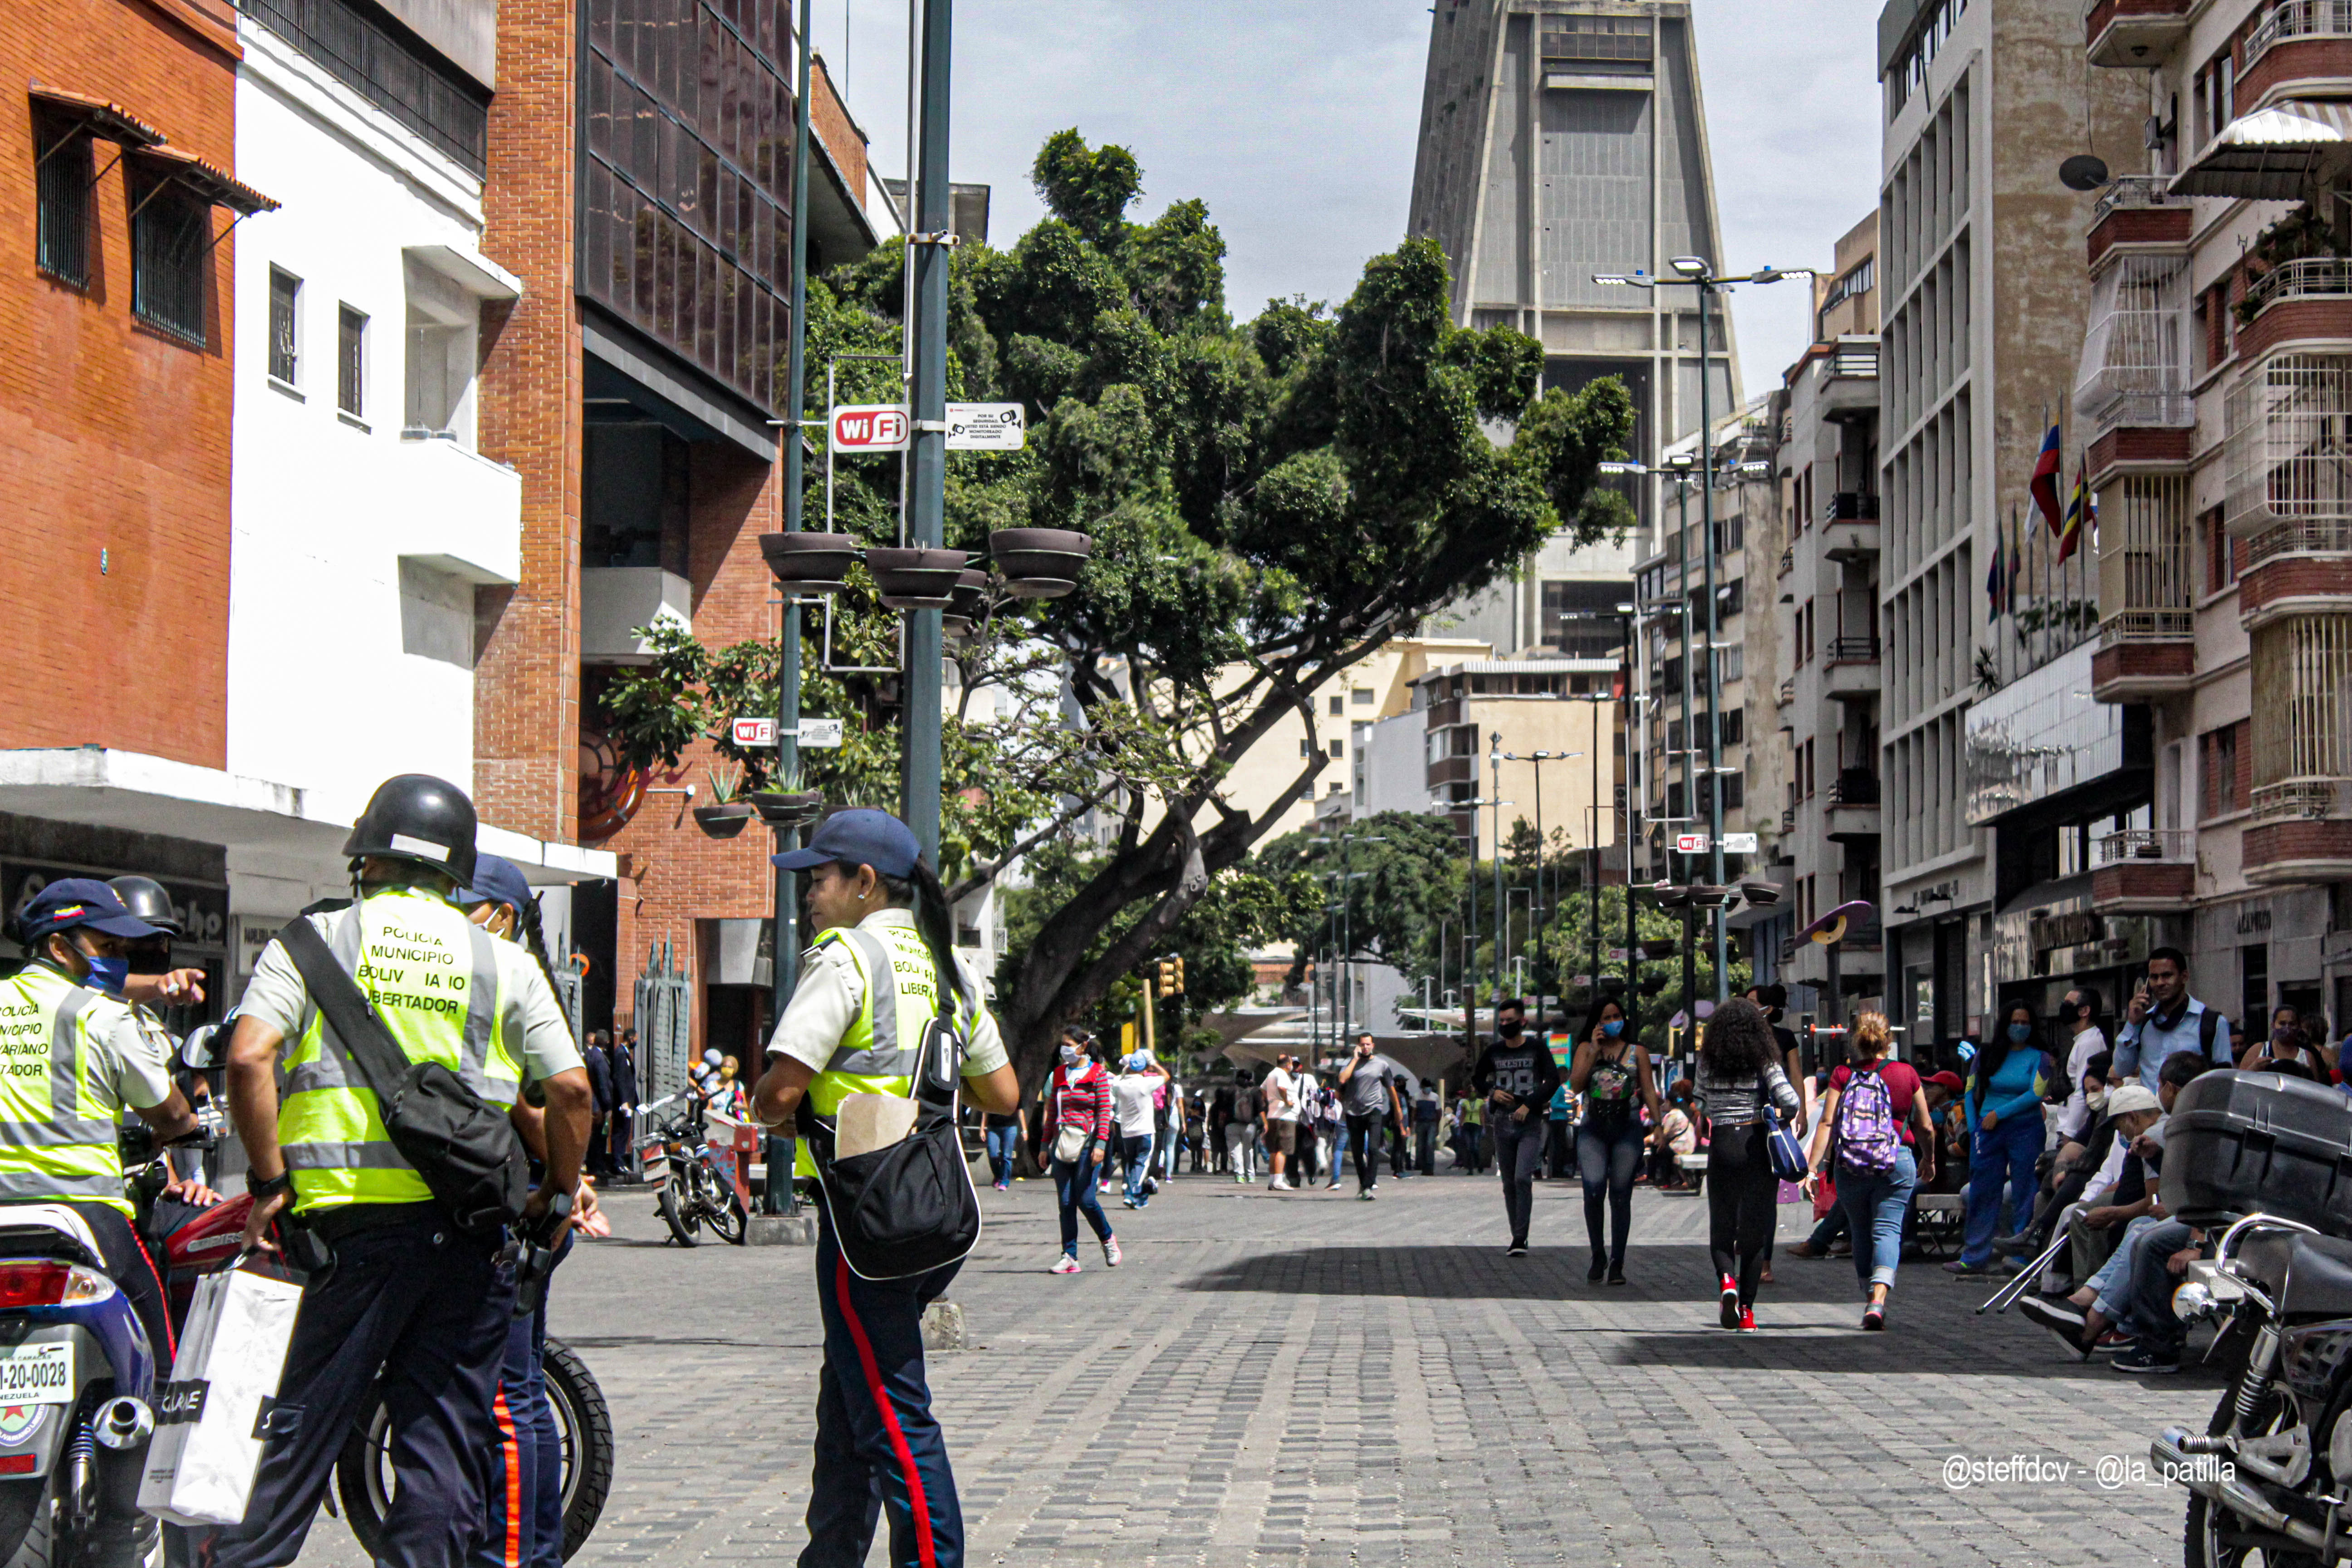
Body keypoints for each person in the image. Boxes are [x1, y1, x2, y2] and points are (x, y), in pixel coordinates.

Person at [211, 775, 593, 1568]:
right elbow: (570, 1090)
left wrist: (269, 1181)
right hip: (467, 1236)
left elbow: (248, 1056)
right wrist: (557, 1190)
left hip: (341, 1234)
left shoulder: (312, 943)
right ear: (457, 872)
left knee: (297, 1432)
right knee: (440, 1444)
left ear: (370, 858)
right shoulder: (502, 959)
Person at [456, 851, 609, 1568]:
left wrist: (558, 1185)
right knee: (516, 1395)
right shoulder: (509, 982)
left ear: (504, 918)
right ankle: (532, 1547)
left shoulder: (508, 986)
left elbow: (557, 1101)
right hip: (533, 1207)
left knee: (510, 1405)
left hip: (521, 1213)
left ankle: (518, 1555)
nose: (453, 923)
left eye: (466, 909)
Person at [0, 880, 207, 1380]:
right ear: (58, 946)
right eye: (107, 947)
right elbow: (174, 1117)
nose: (118, 960)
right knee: (157, 1348)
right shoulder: (104, 1017)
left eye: (122, 949)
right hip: (86, 1215)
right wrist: (182, 1126)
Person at [2016, 1079, 2178, 1363]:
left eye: (2118, 1127)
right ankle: (2083, 1306)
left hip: (2173, 1217)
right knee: (2133, 1229)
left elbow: (2153, 1203)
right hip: (2158, 1212)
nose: (2119, 1134)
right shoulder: (2157, 1132)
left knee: (2140, 1233)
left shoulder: (2152, 1136)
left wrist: (2115, 1213)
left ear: (2132, 1117)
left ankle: (2087, 1317)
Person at [1799, 1012, 1936, 1330]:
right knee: (1888, 1229)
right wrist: (1928, 1159)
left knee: (1860, 1231)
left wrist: (1811, 1169)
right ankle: (1879, 1299)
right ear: (1888, 1040)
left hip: (1851, 1165)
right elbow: (1926, 1125)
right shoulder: (1906, 1073)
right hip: (1897, 1159)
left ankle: (1866, 1294)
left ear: (1856, 1041)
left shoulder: (1843, 1074)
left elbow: (1828, 1123)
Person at [1694, 998, 1802, 1331]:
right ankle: (1748, 1313)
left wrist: (1721, 1112)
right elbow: (1791, 1100)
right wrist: (1781, 1114)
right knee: (1755, 1233)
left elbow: (1700, 1101)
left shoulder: (1707, 1060)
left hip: (1723, 1145)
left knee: (1722, 1228)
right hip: (1757, 1146)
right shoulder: (1765, 1059)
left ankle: (1727, 1281)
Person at [1946, 1000, 2052, 1276]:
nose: (2019, 1027)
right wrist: (1973, 1127)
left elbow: (2036, 1094)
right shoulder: (1987, 1054)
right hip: (1987, 1131)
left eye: (2025, 1023)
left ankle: (2021, 1256)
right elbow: (1969, 1091)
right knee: (1982, 1191)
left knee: (2025, 1191)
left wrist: (1999, 1114)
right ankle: (1974, 1256)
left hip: (2025, 1129)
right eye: (2015, 1022)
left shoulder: (2039, 1057)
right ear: (2004, 1024)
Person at [1571, 996, 1662, 1286]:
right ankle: (1598, 1254)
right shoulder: (1586, 1049)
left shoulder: (1639, 1052)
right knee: (1594, 1188)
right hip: (1593, 1128)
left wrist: (1658, 1125)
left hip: (1628, 1126)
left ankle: (1617, 1262)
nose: (1612, 1023)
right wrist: (1594, 1051)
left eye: (1616, 1017)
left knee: (1621, 1195)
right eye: (1606, 1018)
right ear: (1596, 1023)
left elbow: (1648, 1089)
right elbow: (1575, 1085)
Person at [1471, 997, 1565, 1256]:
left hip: (1530, 1121)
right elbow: (1477, 1078)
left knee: (1523, 1177)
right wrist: (1492, 1092)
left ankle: (1521, 1236)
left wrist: (1530, 1104)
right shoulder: (1494, 1052)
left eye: (1510, 1021)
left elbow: (1553, 1079)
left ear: (1522, 1022)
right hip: (1502, 1121)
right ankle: (1517, 1236)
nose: (1505, 1025)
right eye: (1501, 1021)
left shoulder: (1536, 1048)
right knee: (1509, 1183)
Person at [1036, 1031, 1117, 1269]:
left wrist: (1101, 1144)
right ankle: (1070, 1257)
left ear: (1083, 1047)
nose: (1064, 1049)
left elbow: (1104, 1111)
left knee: (1087, 1199)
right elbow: (1052, 1113)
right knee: (1065, 1202)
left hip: (1087, 1146)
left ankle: (1107, 1239)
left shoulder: (1097, 1074)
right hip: (1061, 1145)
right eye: (1062, 1044)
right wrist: (1044, 1146)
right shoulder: (1059, 1074)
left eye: (1069, 1045)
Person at [2112, 947, 2232, 1090]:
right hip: (2150, 1111)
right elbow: (2121, 1070)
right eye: (2154, 977)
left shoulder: (2211, 1023)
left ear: (2184, 977)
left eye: (2167, 976)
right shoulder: (2143, 1022)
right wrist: (2132, 1024)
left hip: (2189, 1109)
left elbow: (2224, 1080)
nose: (2160, 983)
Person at [1338, 1034, 1404, 1200]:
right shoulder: (1350, 1063)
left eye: (1368, 1044)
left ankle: (1368, 1185)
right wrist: (1354, 1059)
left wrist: (1397, 1110)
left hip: (1374, 1109)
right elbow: (1343, 1079)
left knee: (1374, 1149)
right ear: (1358, 1046)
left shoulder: (1381, 1064)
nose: (1365, 1048)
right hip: (1353, 1111)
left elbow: (1390, 1088)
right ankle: (1363, 1183)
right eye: (1362, 1045)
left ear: (1373, 1045)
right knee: (1358, 1152)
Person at [2051, 987, 2109, 1147]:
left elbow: (2081, 1092)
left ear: (2084, 1011)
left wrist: (2069, 1134)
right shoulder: (2082, 1041)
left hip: (2076, 1130)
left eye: (2068, 1004)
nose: (2064, 1007)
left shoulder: (2089, 1043)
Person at [1110, 1052, 1162, 1209]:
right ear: (1145, 1068)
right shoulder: (1146, 1083)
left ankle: (1137, 1196)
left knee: (1131, 1163)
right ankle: (1131, 1193)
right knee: (1142, 1163)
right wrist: (1153, 1063)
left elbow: (1115, 1090)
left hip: (1127, 1132)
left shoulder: (1119, 1084)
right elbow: (1165, 1076)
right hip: (1145, 1131)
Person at [1261, 1052, 1301, 1190]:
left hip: (1273, 1114)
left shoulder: (1272, 1073)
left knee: (1274, 1149)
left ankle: (1273, 1180)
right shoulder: (1282, 1074)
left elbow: (1263, 1089)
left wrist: (1271, 1101)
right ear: (1288, 1064)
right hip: (1285, 1116)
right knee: (1282, 1150)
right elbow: (1282, 1088)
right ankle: (1279, 1180)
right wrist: (1286, 1101)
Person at [583, 1029, 615, 1177]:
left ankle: (593, 1165)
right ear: (607, 1042)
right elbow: (603, 1084)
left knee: (595, 1136)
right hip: (599, 1105)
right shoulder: (600, 1059)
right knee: (601, 1136)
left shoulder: (591, 1055)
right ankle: (598, 1167)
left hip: (593, 1102)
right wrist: (608, 1106)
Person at [608, 1027, 639, 1178]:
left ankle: (619, 1161)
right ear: (631, 1038)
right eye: (636, 1039)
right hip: (623, 1103)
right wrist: (624, 1102)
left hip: (628, 1101)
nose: (636, 1042)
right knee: (620, 1131)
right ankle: (617, 1162)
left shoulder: (626, 1053)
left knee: (626, 1131)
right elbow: (619, 1079)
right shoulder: (620, 1054)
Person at [1222, 1066, 1261, 1183]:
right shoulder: (1255, 1092)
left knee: (1235, 1150)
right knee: (1248, 1150)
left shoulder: (1230, 1091)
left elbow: (1223, 1108)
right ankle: (1251, 1175)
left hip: (1232, 1124)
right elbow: (1260, 1109)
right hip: (1250, 1126)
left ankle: (1239, 1175)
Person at [982, 1097, 1024, 1191]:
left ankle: (1005, 1182)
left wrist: (1024, 1130)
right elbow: (985, 1111)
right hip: (993, 1127)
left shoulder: (1015, 1092)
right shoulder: (992, 1091)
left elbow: (1020, 1111)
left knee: (1007, 1156)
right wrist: (982, 1128)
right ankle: (998, 1176)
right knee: (993, 1154)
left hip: (1010, 1126)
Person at [1413, 1078, 1441, 1175]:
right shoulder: (1417, 1097)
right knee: (1420, 1146)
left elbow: (1439, 1112)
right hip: (1420, 1123)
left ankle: (1430, 1167)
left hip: (1431, 1123)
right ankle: (1421, 1166)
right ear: (1422, 1087)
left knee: (1430, 1145)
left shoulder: (1435, 1097)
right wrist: (1412, 1124)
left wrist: (1437, 1125)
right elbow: (1414, 1111)